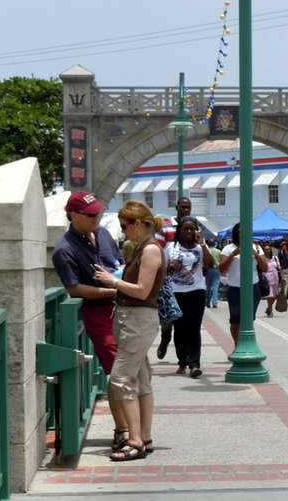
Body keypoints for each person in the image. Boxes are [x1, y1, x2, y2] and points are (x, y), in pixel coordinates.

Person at [52, 191, 128, 448]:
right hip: (98, 312)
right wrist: (114, 290)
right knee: (118, 370)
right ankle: (123, 429)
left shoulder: (104, 234)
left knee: (131, 369)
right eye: (91, 214)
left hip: (124, 309)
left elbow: (118, 263)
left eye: (98, 212)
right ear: (74, 216)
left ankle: (134, 428)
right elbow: (74, 289)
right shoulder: (64, 250)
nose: (97, 217)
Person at [92, 200, 166, 461]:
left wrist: (113, 281)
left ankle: (134, 440)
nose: (123, 231)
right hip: (135, 319)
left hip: (138, 319)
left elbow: (143, 290)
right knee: (141, 378)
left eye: (125, 226)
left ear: (137, 224)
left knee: (120, 378)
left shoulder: (150, 251)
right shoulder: (144, 248)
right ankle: (144, 437)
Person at [163, 216, 213, 377]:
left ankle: (194, 364)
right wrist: (168, 269)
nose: (190, 231)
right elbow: (161, 271)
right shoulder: (171, 247)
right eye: (186, 228)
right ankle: (182, 362)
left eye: (193, 229)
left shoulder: (200, 248)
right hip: (175, 293)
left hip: (196, 291)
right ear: (180, 230)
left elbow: (211, 264)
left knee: (193, 328)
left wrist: (203, 244)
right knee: (180, 329)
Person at [219, 223, 268, 346]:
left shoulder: (256, 248)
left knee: (248, 320)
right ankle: (237, 345)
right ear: (236, 233)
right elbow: (222, 268)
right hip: (235, 288)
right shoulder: (228, 248)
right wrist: (233, 255)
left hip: (253, 287)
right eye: (241, 232)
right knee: (235, 321)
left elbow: (265, 267)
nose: (244, 234)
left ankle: (247, 345)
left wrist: (256, 255)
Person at [156, 196, 192, 360]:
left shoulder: (193, 226)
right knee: (167, 318)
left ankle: (184, 357)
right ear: (176, 207)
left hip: (186, 281)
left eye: (188, 207)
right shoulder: (166, 227)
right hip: (168, 278)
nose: (186, 210)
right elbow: (157, 249)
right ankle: (165, 339)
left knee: (184, 322)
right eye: (183, 207)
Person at [262, 244, 284, 317]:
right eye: (266, 250)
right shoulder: (263, 258)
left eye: (269, 249)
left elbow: (279, 268)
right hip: (267, 279)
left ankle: (268, 308)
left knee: (274, 296)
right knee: (270, 295)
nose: (267, 251)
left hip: (275, 279)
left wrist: (282, 277)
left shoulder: (275, 258)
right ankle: (270, 311)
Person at [205, 239, 222, 308]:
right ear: (214, 244)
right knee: (216, 286)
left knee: (208, 286)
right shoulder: (218, 251)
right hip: (217, 269)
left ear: (208, 244)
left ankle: (208, 302)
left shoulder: (206, 251)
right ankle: (215, 302)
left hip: (208, 269)